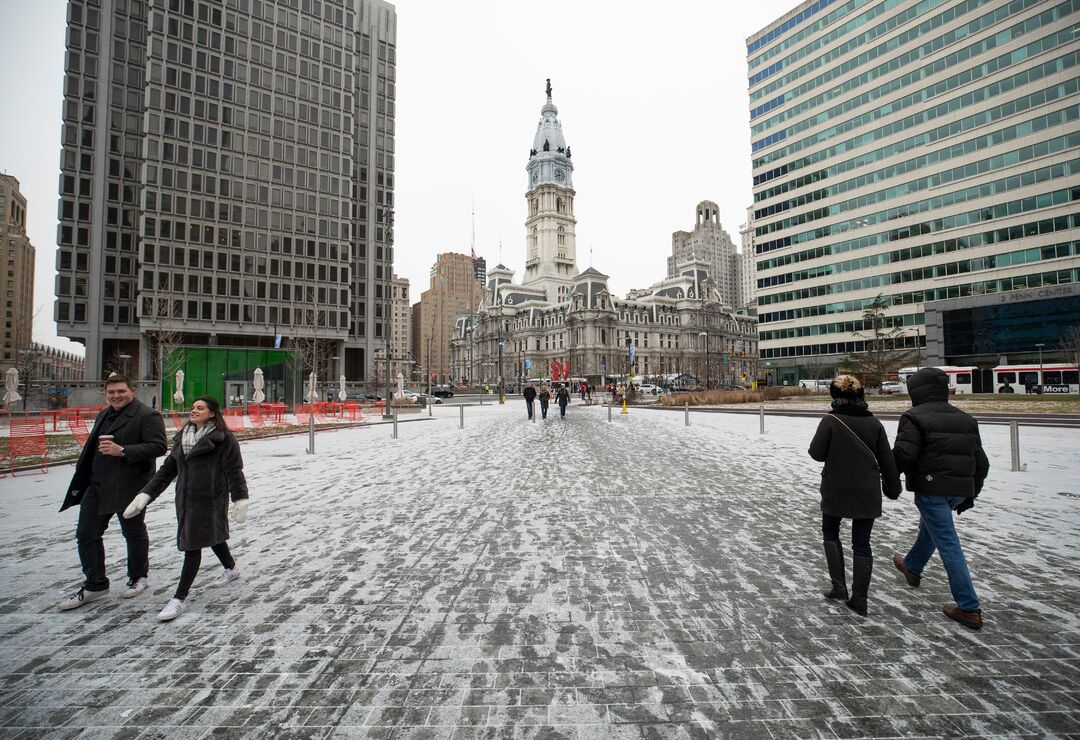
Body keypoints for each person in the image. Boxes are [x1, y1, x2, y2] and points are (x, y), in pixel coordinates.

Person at [124, 396, 249, 622]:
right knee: (211, 537)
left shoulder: (225, 439)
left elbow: (235, 471)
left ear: (212, 413)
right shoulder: (183, 438)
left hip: (210, 498)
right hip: (184, 499)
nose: (194, 411)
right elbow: (167, 471)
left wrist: (240, 498)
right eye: (192, 408)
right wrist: (146, 494)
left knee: (192, 545)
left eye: (200, 408)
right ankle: (231, 569)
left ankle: (179, 598)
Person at [891, 367, 990, 630]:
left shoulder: (913, 417)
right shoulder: (966, 419)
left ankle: (969, 607)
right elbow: (982, 464)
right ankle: (912, 566)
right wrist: (970, 493)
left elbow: (904, 455)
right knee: (931, 529)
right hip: (957, 490)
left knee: (948, 543)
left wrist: (887, 477)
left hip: (931, 488)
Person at [57, 375, 168, 610]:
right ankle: (95, 584)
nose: (116, 395)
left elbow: (159, 446)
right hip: (96, 485)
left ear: (132, 391)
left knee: (133, 532)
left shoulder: (147, 415)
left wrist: (123, 450)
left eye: (121, 391)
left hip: (129, 485)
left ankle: (138, 576)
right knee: (86, 534)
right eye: (111, 392)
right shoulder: (104, 414)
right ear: (105, 393)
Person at [808, 375, 900, 616]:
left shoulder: (830, 420)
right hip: (866, 490)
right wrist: (893, 487)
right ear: (860, 396)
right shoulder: (874, 423)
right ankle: (860, 599)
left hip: (836, 487)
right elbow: (887, 460)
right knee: (862, 541)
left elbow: (816, 453)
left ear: (834, 396)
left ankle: (839, 586)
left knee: (830, 531)